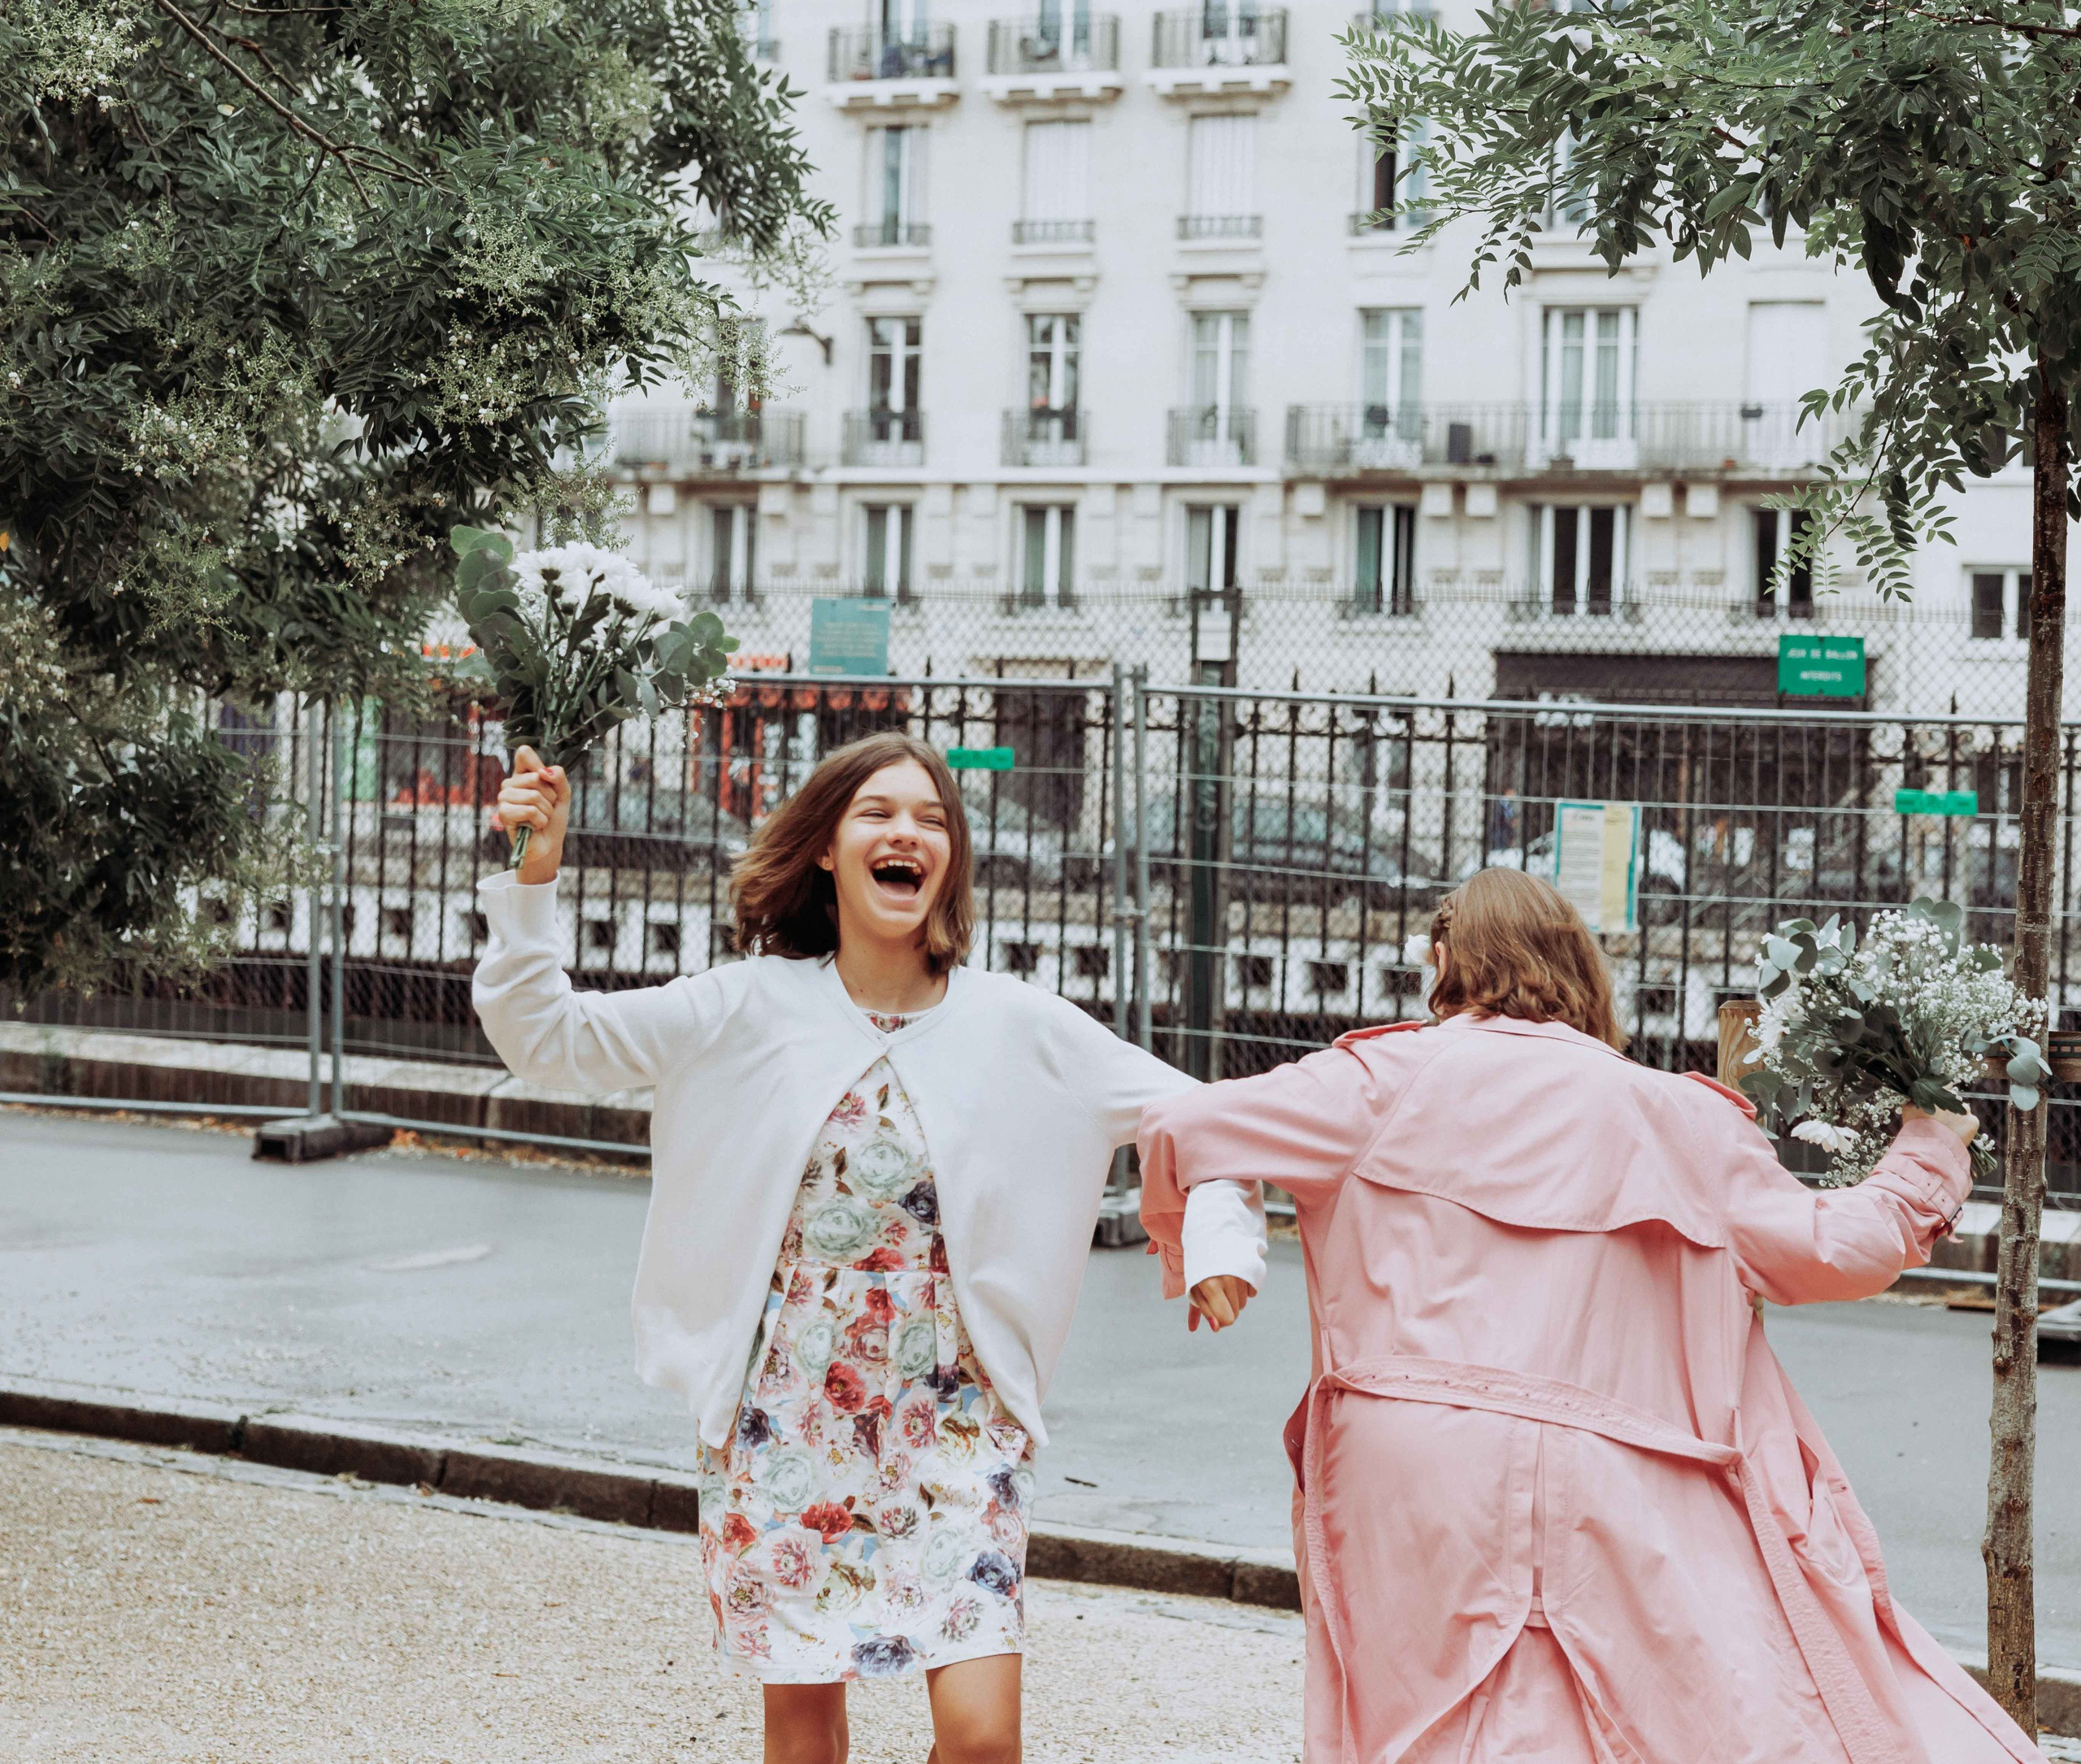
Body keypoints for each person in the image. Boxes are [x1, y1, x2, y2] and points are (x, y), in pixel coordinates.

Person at [476, 730, 1264, 1764]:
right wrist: (535, 879)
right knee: (805, 1742)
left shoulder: (1022, 1025)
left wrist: (1217, 1242)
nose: (908, 834)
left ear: (952, 859)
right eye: (879, 814)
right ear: (825, 850)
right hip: (783, 1408)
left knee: (983, 1739)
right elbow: (546, 1037)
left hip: (959, 1412)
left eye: (932, 819)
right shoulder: (742, 1005)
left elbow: (1206, 1120)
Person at [1136, 866, 2038, 1764]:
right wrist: (1929, 1145)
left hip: (1407, 1453)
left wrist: (1214, 1246)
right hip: (1621, 1467)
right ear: (1579, 969)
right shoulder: (1683, 1117)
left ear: (1443, 962)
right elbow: (1837, 1250)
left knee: (1416, 1722)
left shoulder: (1375, 1082)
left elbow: (1187, 1124)